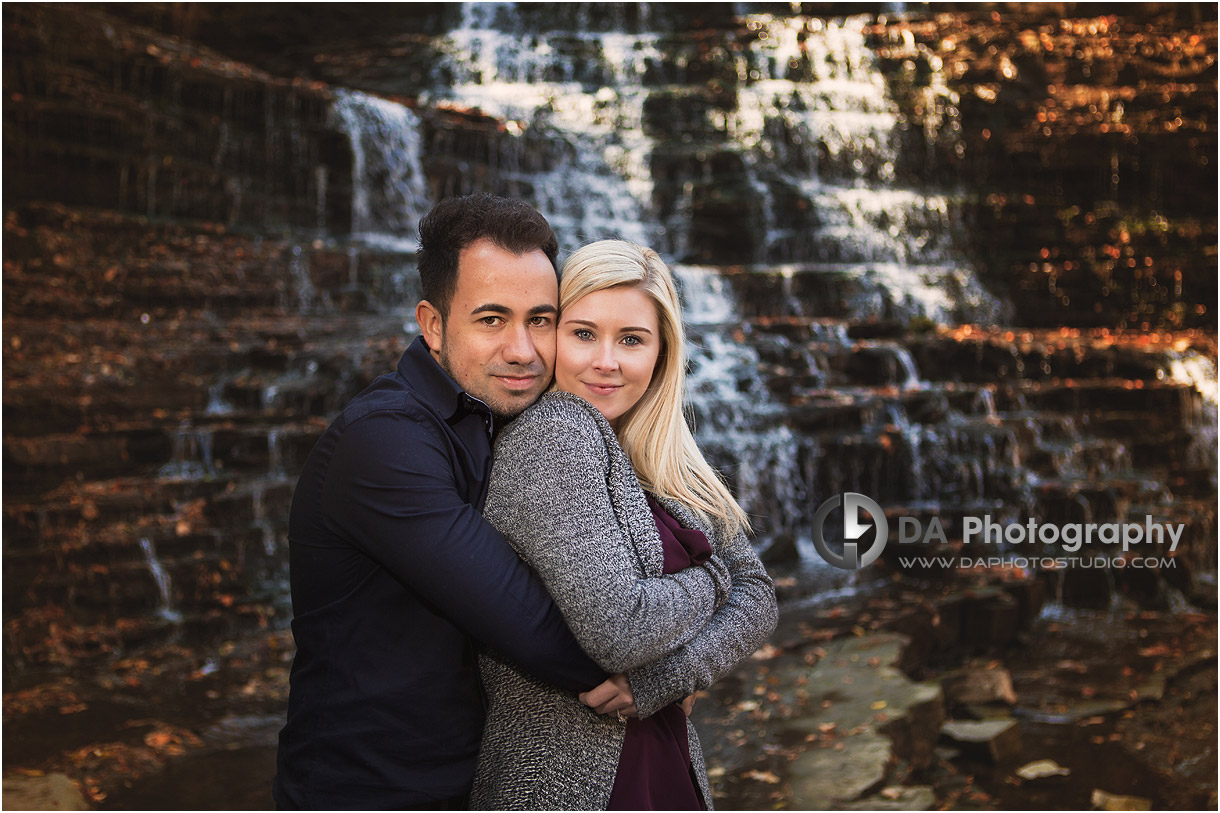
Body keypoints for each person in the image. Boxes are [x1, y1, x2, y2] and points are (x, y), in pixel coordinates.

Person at [272, 197, 729, 810]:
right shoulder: (383, 440)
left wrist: (676, 660)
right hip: (373, 789)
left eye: (541, 319)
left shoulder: (513, 419)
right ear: (433, 325)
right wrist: (687, 636)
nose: (523, 350)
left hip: (476, 783)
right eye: (491, 319)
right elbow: (532, 621)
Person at [471, 240, 779, 810]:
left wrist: (671, 677)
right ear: (551, 336)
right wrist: (715, 581)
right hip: (571, 781)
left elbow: (760, 595)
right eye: (583, 333)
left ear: (662, 354)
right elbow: (622, 630)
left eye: (631, 340)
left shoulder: (660, 455)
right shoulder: (556, 434)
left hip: (659, 760)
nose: (605, 361)